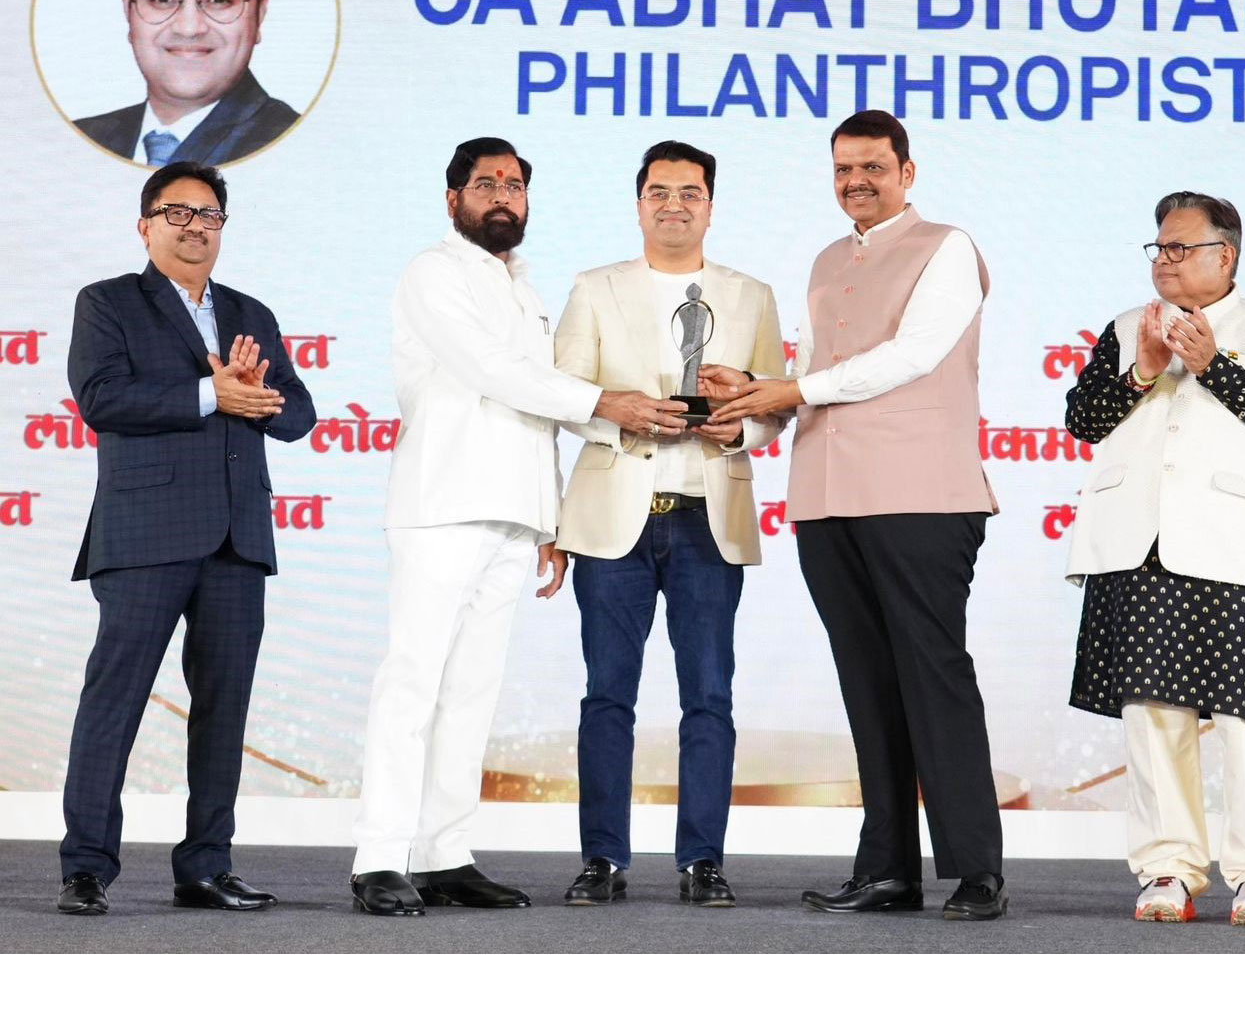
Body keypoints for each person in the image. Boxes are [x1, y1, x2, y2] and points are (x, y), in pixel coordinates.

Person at [349, 137, 682, 916]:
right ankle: (379, 855)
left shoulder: (523, 286)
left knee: (471, 692)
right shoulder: (432, 273)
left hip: (513, 513)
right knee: (414, 682)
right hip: (443, 506)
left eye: (515, 185)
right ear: (452, 198)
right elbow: (493, 373)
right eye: (486, 183)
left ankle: (443, 853)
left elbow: (534, 406)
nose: (503, 195)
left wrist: (549, 522)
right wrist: (605, 402)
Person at [704, 110, 1006, 921]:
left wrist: (787, 391)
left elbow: (912, 356)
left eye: (872, 167)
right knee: (868, 687)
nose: (856, 183)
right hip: (826, 498)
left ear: (908, 171)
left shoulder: (947, 246)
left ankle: (976, 871)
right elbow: (810, 375)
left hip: (920, 495)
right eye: (842, 170)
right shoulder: (827, 258)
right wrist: (748, 413)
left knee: (933, 679)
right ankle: (889, 871)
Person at [57, 160, 316, 915]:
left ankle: (206, 865)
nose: (194, 226)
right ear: (145, 225)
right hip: (145, 533)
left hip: (237, 538)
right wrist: (213, 392)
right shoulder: (108, 302)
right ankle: (85, 867)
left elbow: (298, 414)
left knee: (224, 707)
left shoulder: (249, 311)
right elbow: (101, 398)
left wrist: (255, 396)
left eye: (209, 215)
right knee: (115, 701)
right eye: (177, 212)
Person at [1063, 192, 1245, 929]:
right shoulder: (1123, 329)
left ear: (1224, 256)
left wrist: (1214, 367)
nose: (1164, 262)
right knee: (1154, 715)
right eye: (1159, 249)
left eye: (1179, 248)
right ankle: (1168, 867)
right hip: (1139, 545)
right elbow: (1083, 420)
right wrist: (1141, 369)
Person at [552, 140, 787, 909]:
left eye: (690, 192)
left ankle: (703, 860)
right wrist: (621, 416)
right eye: (660, 191)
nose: (674, 204)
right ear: (640, 201)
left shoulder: (752, 294)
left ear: (711, 206)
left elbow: (771, 408)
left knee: (709, 696)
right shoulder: (594, 288)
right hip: (614, 519)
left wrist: (739, 429)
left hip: (706, 518)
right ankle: (601, 859)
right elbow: (563, 396)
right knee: (606, 695)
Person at [73, 0, 298, 167]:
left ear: (259, 15)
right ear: (129, 12)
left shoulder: (295, 144)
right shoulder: (78, 139)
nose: (189, 27)